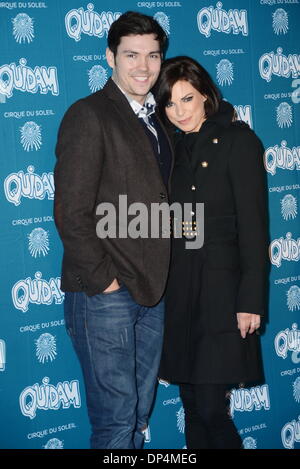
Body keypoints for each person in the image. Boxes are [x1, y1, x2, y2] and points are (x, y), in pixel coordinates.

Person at [54, 12, 173, 449]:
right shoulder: (88, 115)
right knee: (116, 422)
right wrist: (105, 280)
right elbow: (70, 210)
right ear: (110, 57)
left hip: (151, 292)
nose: (143, 67)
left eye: (153, 55)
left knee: (138, 416)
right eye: (131, 55)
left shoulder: (158, 121)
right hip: (106, 295)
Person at [156, 56, 268, 449]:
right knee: (190, 407)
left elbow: (254, 227)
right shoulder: (168, 146)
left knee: (210, 410)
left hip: (223, 294)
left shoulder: (239, 141)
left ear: (206, 94)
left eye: (187, 99)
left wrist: (250, 300)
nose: (179, 111)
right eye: (169, 103)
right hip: (180, 292)